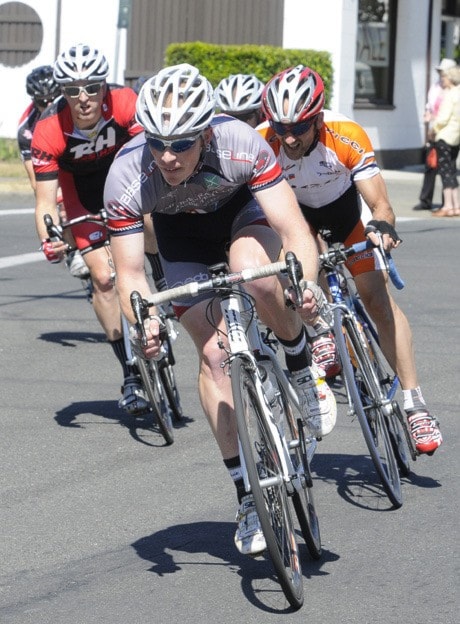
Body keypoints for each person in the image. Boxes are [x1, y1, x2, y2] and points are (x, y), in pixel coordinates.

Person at [104, 63, 337, 556]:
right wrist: (144, 321)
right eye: (157, 142)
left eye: (183, 143)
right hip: (181, 238)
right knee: (213, 356)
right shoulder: (126, 175)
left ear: (206, 131)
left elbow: (295, 231)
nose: (168, 157)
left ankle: (299, 366)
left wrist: (306, 285)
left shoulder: (242, 143)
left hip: (242, 216)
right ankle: (248, 496)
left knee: (255, 271)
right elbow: (130, 275)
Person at [258, 64, 443, 455]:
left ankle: (414, 403)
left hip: (345, 216)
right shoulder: (264, 142)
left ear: (318, 118)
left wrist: (381, 226)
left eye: (299, 127)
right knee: (300, 265)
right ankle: (322, 331)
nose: (288, 137)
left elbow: (380, 204)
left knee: (376, 299)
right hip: (298, 221)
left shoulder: (346, 136)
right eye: (281, 127)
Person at [31, 43, 150, 415]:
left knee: (152, 222)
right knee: (102, 279)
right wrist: (49, 239)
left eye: (92, 87)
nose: (83, 98)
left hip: (126, 179)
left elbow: (150, 156)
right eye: (71, 90)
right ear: (63, 93)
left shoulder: (127, 103)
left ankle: (167, 285)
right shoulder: (48, 130)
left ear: (104, 86)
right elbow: (46, 202)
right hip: (80, 194)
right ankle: (131, 373)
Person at [17, 65, 88, 278]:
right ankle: (72, 250)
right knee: (59, 201)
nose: (49, 105)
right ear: (33, 101)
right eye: (42, 102)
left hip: (78, 155)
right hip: (52, 164)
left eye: (54, 98)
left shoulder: (75, 111)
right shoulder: (26, 131)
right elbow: (36, 182)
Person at [413, 58, 457, 212]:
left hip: (444, 131)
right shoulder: (436, 86)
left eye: (443, 72)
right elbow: (430, 104)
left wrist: (435, 126)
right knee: (431, 165)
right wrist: (428, 113)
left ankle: (449, 204)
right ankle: (426, 200)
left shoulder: (452, 90)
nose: (440, 74)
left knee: (447, 168)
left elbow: (446, 114)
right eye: (439, 71)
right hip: (436, 130)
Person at [431, 64, 460, 217]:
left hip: (445, 135)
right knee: (452, 171)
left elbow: (442, 118)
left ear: (450, 78)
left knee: (445, 172)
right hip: (456, 136)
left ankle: (448, 206)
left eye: (444, 77)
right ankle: (457, 206)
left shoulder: (450, 94)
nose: (442, 79)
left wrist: (433, 128)